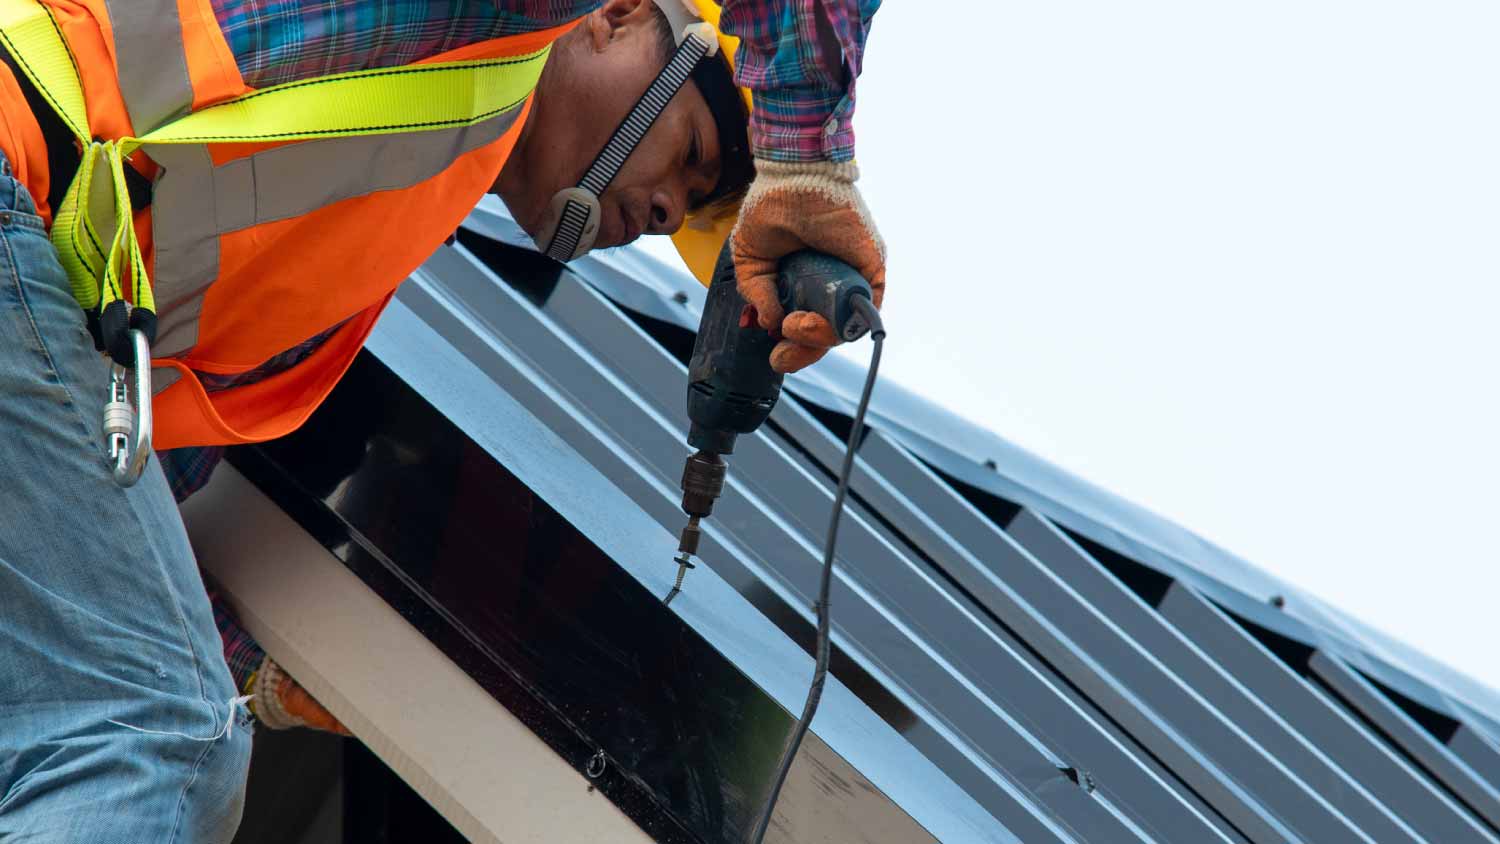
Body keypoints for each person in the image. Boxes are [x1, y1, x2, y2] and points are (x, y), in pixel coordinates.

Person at [0, 0, 882, 841]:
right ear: (613, 17)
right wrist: (802, 158)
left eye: (685, 213)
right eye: (690, 151)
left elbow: (94, 528)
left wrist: (253, 672)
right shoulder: (493, 24)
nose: (663, 214)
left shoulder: (363, 254)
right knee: (158, 733)